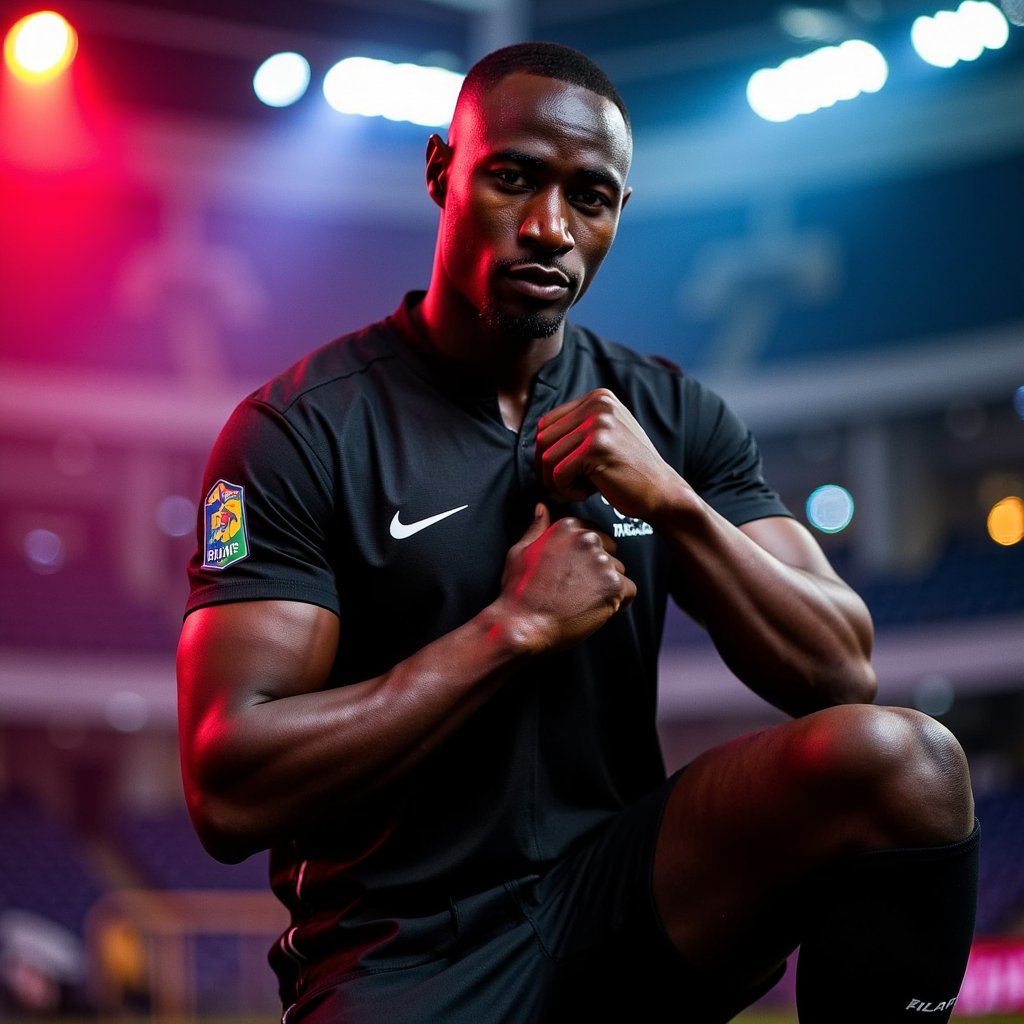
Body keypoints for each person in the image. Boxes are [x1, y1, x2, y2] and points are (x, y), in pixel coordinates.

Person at [176, 41, 979, 1024]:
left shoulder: (666, 416)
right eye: (513, 178)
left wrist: (672, 501)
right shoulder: (303, 431)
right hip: (401, 950)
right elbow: (229, 787)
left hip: (622, 898)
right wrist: (506, 631)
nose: (549, 228)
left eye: (588, 198)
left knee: (910, 765)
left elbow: (836, 673)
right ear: (442, 172)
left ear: (617, 215)